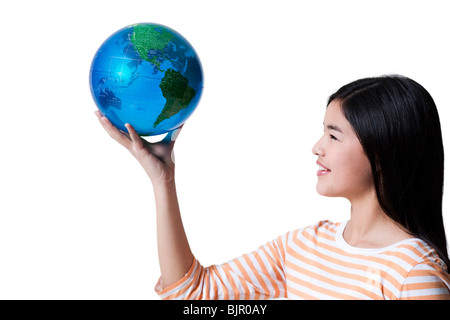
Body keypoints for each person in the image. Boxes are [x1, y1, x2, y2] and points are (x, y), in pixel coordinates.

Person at [95, 75, 450, 300]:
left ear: (382, 153)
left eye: (333, 135)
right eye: (322, 130)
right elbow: (192, 295)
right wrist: (163, 180)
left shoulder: (413, 274)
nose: (317, 147)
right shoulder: (303, 246)